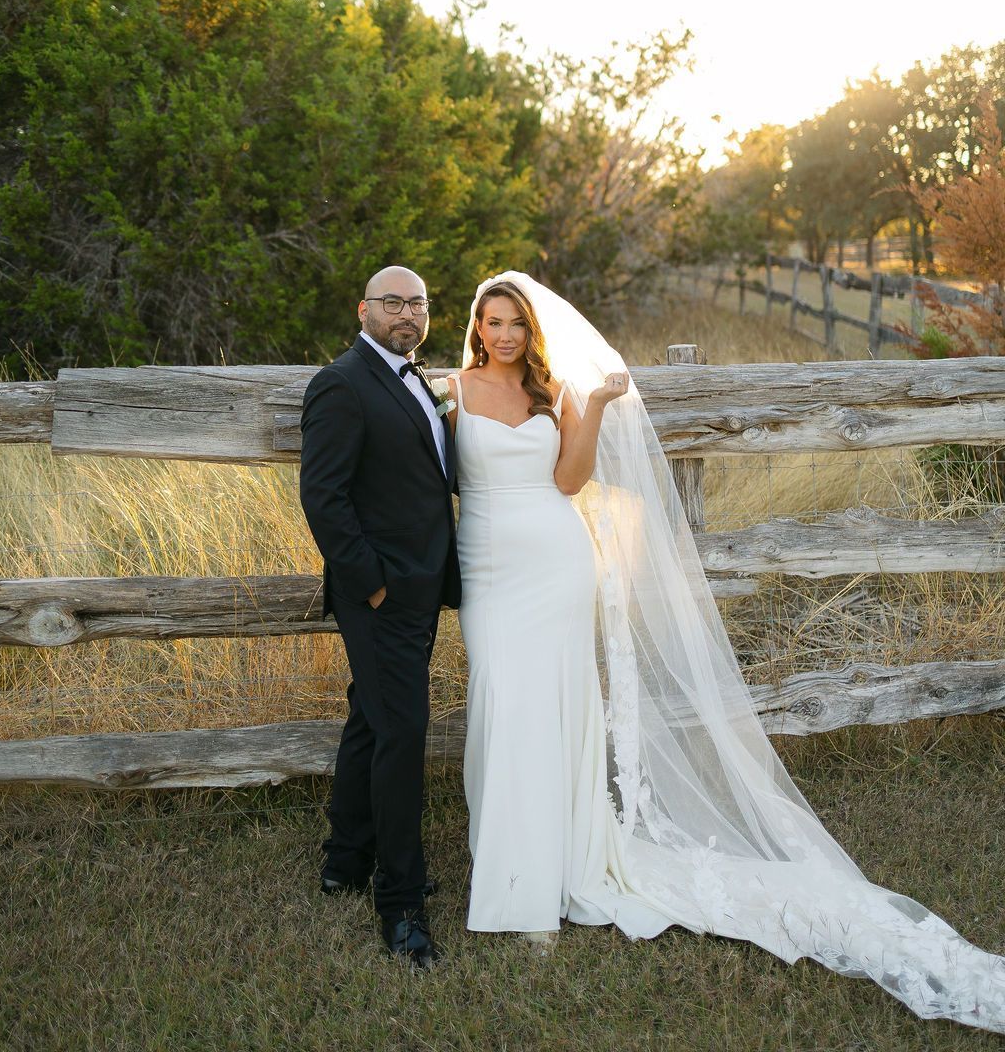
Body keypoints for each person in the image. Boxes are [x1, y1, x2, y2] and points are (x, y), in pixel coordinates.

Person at [446, 270, 1005, 1032]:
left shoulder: (555, 392)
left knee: (558, 711)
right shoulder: (453, 391)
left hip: (556, 562)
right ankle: (506, 864)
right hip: (487, 568)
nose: (505, 334)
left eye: (516, 323)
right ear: (477, 327)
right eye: (494, 322)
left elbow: (570, 481)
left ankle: (546, 881)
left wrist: (599, 405)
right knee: (503, 707)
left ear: (530, 330)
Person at [299, 265, 460, 969]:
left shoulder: (415, 377)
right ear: (363, 310)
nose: (406, 313)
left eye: (417, 303)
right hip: (382, 597)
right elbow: (323, 497)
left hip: (419, 588)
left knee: (371, 717)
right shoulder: (342, 383)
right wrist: (371, 588)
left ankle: (345, 860)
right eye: (392, 302)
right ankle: (400, 905)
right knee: (401, 734)